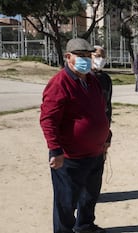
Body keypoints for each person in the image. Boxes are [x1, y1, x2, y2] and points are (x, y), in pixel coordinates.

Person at [40, 38, 110, 233]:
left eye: (89, 56)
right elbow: (48, 119)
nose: (86, 60)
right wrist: (55, 149)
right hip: (70, 157)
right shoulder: (59, 83)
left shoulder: (92, 81)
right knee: (66, 201)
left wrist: (107, 136)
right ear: (68, 57)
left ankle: (85, 226)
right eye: (81, 56)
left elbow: (100, 112)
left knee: (89, 196)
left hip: (95, 153)